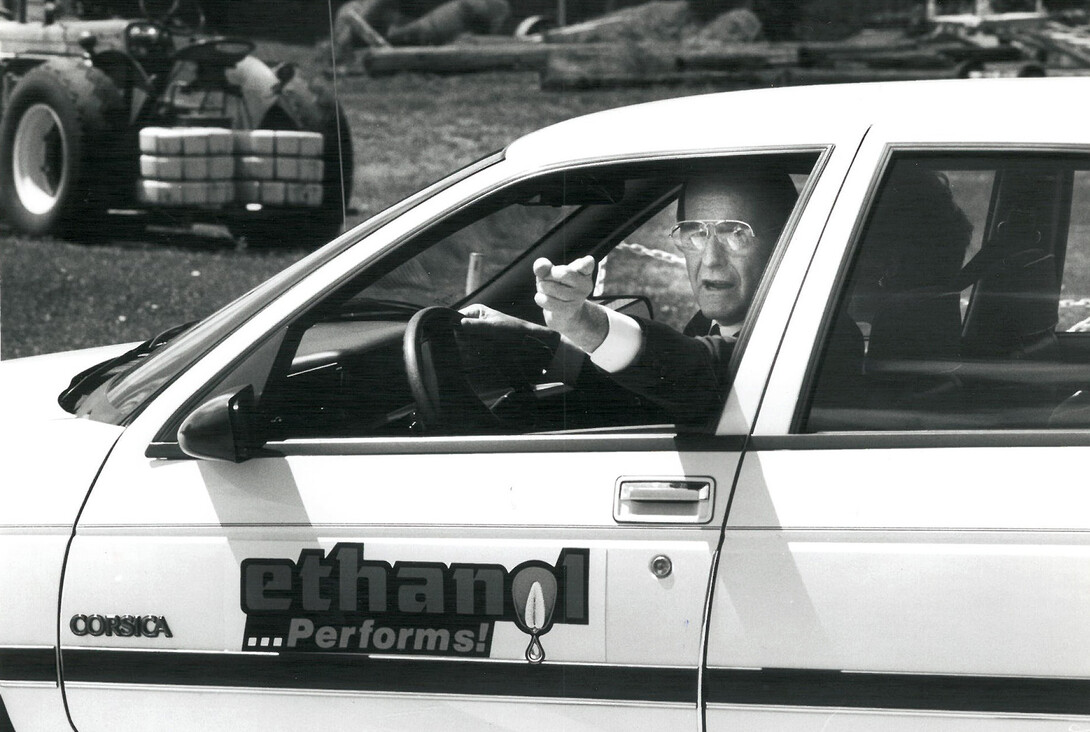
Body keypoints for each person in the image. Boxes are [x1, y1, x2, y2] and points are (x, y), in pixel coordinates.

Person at [462, 171, 799, 428]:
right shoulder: (707, 323)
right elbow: (647, 392)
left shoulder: (798, 340)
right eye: (695, 232)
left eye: (736, 233)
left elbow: (698, 371)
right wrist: (536, 339)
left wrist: (582, 321)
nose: (710, 258)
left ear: (786, 240)